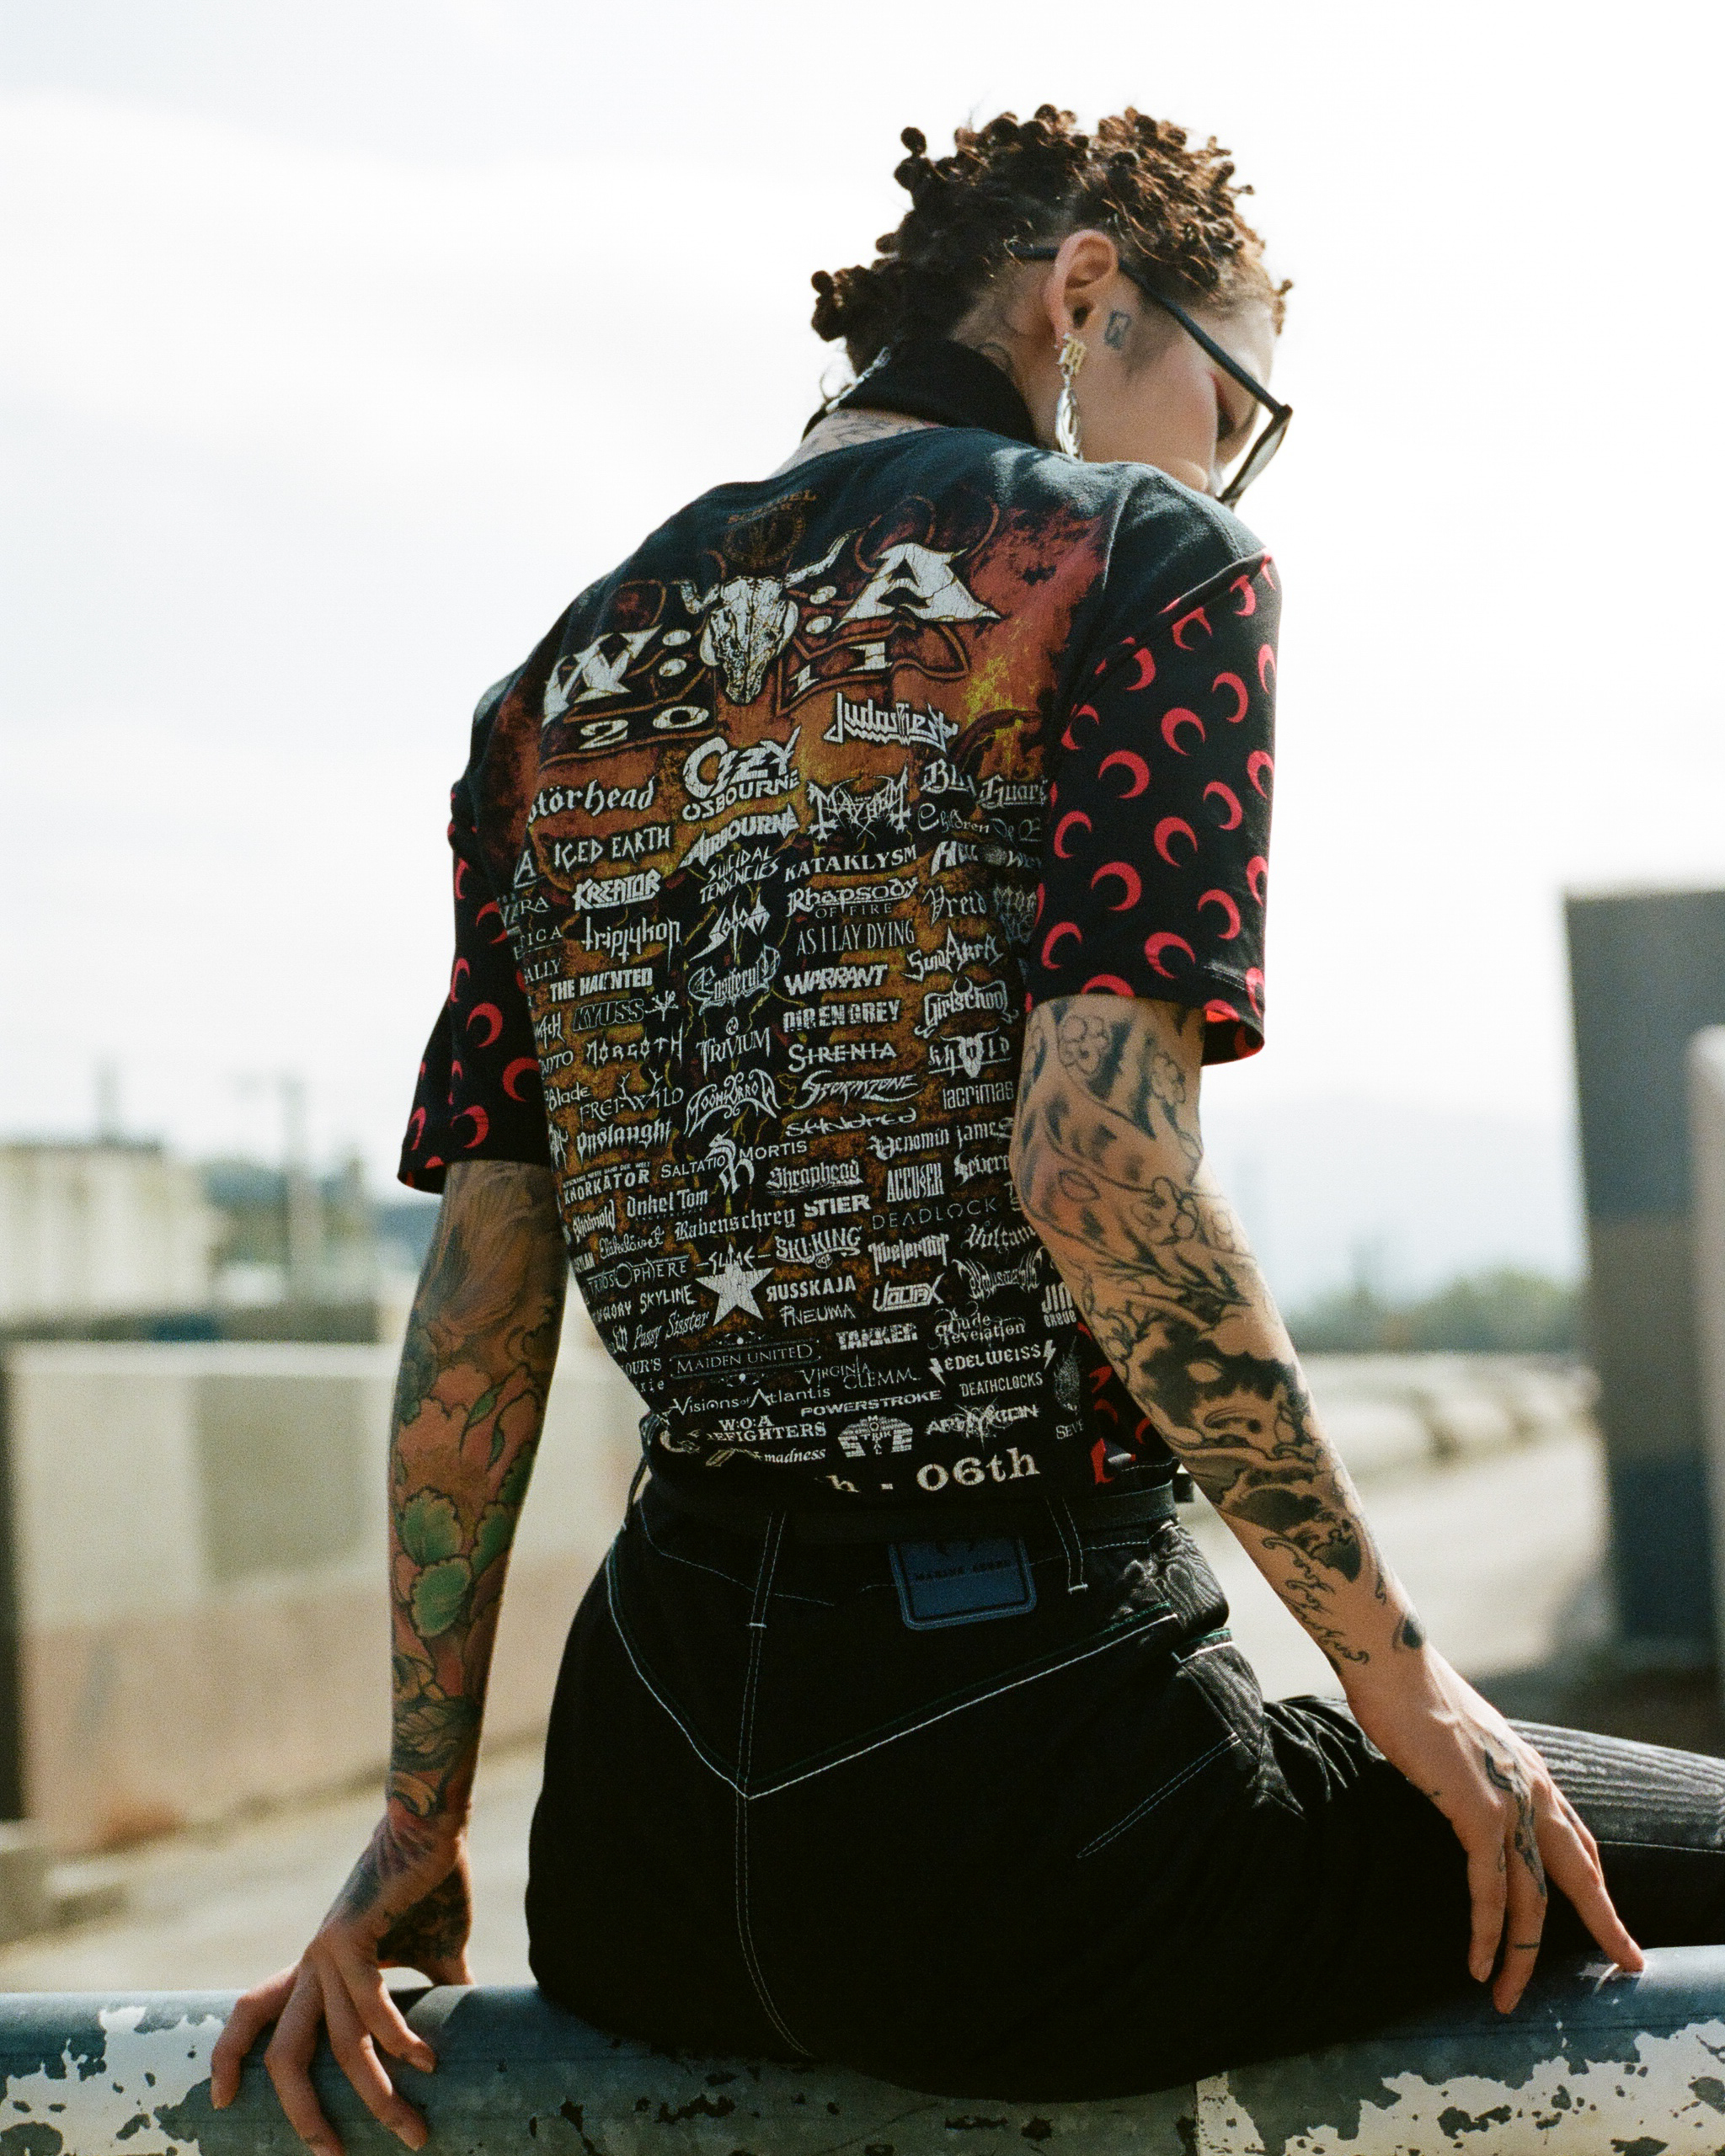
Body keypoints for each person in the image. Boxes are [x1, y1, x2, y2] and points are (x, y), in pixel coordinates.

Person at [214, 105, 1725, 2156]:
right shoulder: (1131, 557)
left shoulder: (549, 685)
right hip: (1029, 1831)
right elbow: (1095, 1169)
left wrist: (413, 1817)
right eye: (1235, 406)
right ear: (1087, 294)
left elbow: (480, 1294)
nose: (1226, 468)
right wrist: (1402, 1681)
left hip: (644, 1850)